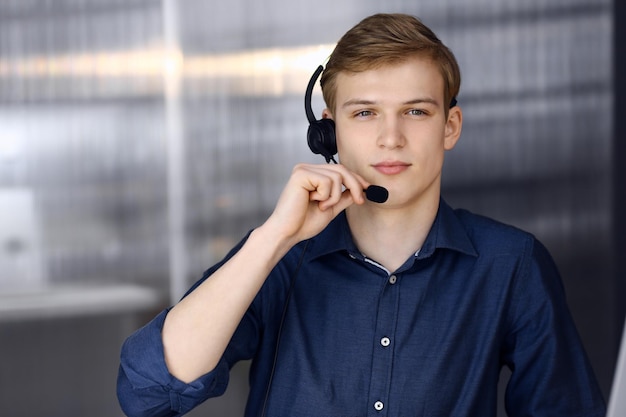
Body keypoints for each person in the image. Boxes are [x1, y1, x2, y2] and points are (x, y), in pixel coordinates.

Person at [117, 13, 606, 417]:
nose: (390, 138)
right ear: (329, 134)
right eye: (364, 113)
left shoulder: (512, 263)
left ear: (450, 126)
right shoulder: (279, 255)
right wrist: (270, 241)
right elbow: (148, 392)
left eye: (415, 112)